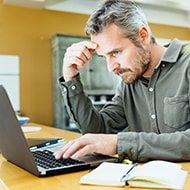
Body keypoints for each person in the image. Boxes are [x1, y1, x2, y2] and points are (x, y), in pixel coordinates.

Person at [54, 0, 190, 162]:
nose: (111, 67)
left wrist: (120, 143)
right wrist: (71, 77)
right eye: (105, 57)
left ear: (143, 36)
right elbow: (97, 131)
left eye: (116, 52)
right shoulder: (129, 81)